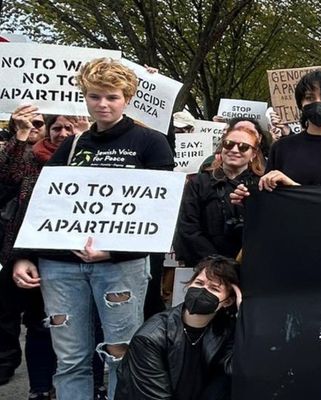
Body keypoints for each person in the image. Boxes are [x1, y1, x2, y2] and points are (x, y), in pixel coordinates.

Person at [11, 57, 175, 399]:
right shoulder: (71, 146)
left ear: (126, 98)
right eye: (95, 96)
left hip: (119, 267)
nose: (102, 104)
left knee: (121, 354)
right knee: (70, 359)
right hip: (61, 267)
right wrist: (23, 255)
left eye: (111, 97)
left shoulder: (151, 142)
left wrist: (113, 250)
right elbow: (42, 202)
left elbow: (158, 212)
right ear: (84, 97)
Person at [0, 108, 87, 400]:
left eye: (69, 128)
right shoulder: (30, 160)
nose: (63, 133)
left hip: (82, 256)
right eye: (56, 128)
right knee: (40, 325)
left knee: (81, 326)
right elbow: (5, 178)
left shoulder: (93, 158)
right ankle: (40, 388)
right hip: (38, 257)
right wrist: (21, 134)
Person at [115, 256, 242, 400]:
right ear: (189, 285)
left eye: (214, 288)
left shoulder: (226, 329)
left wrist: (245, 316)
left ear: (228, 301)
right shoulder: (150, 338)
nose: (202, 291)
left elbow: (239, 372)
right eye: (199, 283)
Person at [175, 126, 264, 268]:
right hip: (206, 267)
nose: (234, 150)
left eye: (243, 147)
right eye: (229, 144)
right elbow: (188, 227)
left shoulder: (262, 185)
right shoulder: (198, 183)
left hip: (253, 267)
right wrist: (217, 264)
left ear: (253, 154)